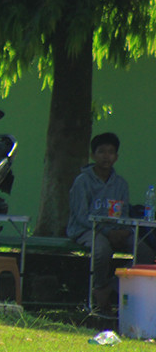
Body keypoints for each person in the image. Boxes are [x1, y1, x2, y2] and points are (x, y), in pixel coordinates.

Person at [66, 132, 155, 314]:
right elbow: (81, 216)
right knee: (102, 250)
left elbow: (123, 212)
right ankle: (99, 287)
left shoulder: (121, 184)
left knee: (145, 253)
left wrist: (122, 231)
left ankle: (112, 288)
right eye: (101, 152)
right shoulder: (82, 181)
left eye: (111, 152)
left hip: (117, 230)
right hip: (86, 229)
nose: (106, 156)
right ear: (93, 155)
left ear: (116, 157)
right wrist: (106, 232)